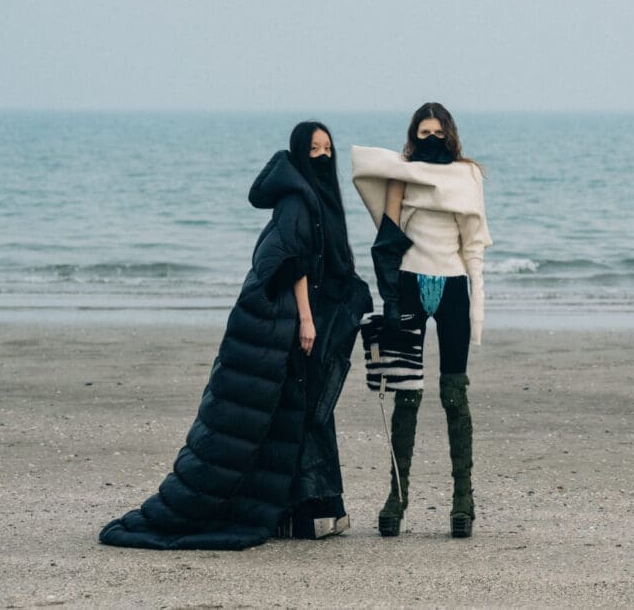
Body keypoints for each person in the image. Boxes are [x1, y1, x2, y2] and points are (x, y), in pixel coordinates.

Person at [99, 121, 372, 550]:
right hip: (287, 323)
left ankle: (304, 510)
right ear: (299, 153)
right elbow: (294, 262)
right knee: (282, 415)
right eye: (314, 149)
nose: (322, 156)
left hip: (295, 323)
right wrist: (306, 318)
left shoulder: (314, 196)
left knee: (294, 415)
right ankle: (293, 511)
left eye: (327, 149)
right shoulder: (297, 198)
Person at [352, 102, 491, 538]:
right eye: (424, 133)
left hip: (453, 287)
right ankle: (396, 498)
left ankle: (463, 501)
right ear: (414, 135)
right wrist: (390, 297)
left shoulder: (467, 175)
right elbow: (387, 239)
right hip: (410, 283)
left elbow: (473, 243)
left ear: (450, 134)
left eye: (438, 132)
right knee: (406, 392)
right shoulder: (402, 173)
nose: (432, 139)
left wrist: (478, 300)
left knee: (454, 393)